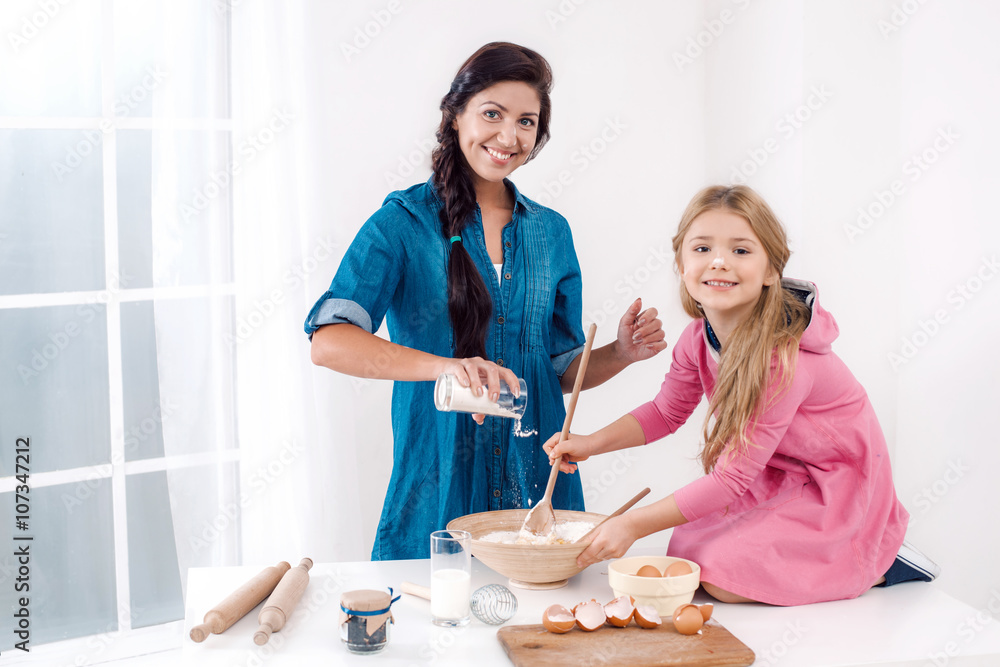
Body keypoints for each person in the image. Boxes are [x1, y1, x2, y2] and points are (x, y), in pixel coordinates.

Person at [306, 42, 666, 560]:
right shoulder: (402, 223)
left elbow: (558, 372)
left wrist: (620, 353)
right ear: (456, 116)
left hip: (538, 486)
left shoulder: (551, 233)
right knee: (439, 624)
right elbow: (329, 343)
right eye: (492, 114)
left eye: (526, 121)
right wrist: (447, 368)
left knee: (540, 629)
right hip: (438, 478)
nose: (508, 136)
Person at [544, 185, 940, 605]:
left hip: (836, 484)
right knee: (688, 556)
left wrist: (632, 524)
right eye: (702, 248)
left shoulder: (781, 359)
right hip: (776, 473)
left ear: (771, 270)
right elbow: (665, 412)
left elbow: (730, 479)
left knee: (722, 578)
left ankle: (879, 555)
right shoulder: (698, 337)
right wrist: (589, 444)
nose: (719, 261)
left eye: (741, 251)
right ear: (681, 264)